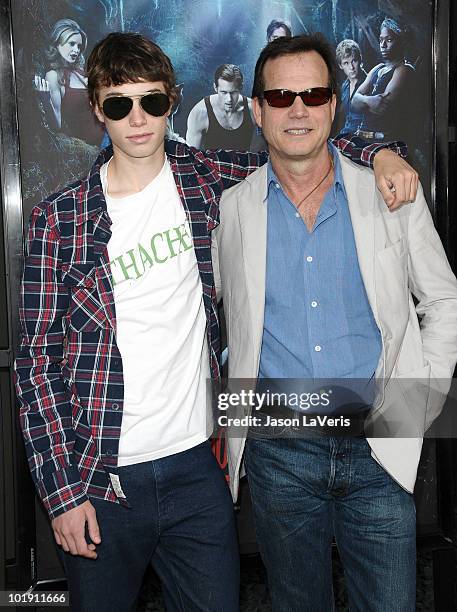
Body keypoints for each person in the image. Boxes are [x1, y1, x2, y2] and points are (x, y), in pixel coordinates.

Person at [15, 30, 417, 612]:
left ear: (171, 102)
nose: (138, 118)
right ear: (99, 109)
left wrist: (381, 152)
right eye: (120, 103)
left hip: (197, 471)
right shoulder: (60, 219)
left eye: (151, 101)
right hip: (100, 476)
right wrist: (60, 492)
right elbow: (35, 363)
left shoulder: (207, 181)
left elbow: (297, 146)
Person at [213, 33, 457, 611]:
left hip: (380, 441)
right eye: (280, 97)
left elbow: (443, 301)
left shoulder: (392, 194)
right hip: (278, 452)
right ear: (256, 109)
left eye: (314, 94)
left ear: (333, 105)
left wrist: (416, 404)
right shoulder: (230, 209)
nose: (298, 108)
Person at [36, 18, 104, 145]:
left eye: (79, 46)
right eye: (72, 44)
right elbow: (56, 125)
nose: (76, 50)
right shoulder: (52, 76)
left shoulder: (80, 72)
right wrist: (46, 100)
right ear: (57, 43)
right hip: (90, 145)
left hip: (107, 135)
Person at [351, 17, 416, 145]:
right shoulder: (378, 68)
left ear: (401, 42)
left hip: (383, 143)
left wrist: (362, 100)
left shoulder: (403, 69)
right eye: (381, 40)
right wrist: (369, 100)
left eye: (389, 40)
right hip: (363, 139)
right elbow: (353, 102)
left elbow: (381, 108)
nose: (383, 45)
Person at [186, 63, 255, 150]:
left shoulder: (253, 109)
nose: (229, 99)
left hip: (246, 163)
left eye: (233, 92)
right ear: (215, 87)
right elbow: (191, 157)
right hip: (210, 163)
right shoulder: (200, 113)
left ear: (241, 87)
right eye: (224, 92)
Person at [335, 39, 366, 134]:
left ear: (360, 59)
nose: (351, 67)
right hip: (344, 137)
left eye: (354, 61)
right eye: (346, 63)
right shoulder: (344, 87)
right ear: (340, 65)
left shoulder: (370, 83)